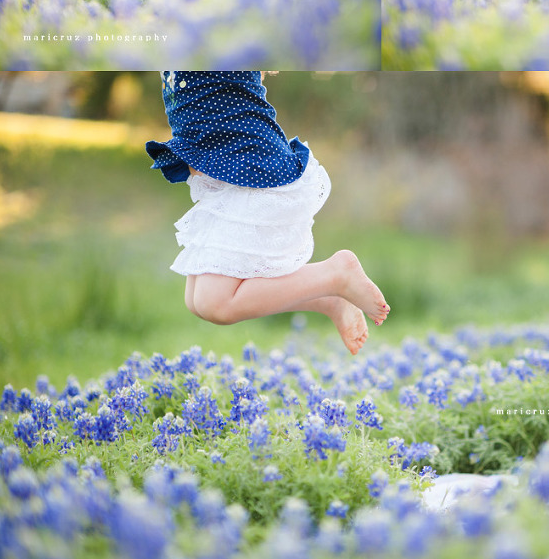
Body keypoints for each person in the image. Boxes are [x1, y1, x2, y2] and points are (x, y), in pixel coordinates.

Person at [145, 72, 389, 355]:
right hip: (230, 171)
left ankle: (336, 275)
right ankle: (327, 296)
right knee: (197, 301)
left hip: (251, 165)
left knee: (216, 303)